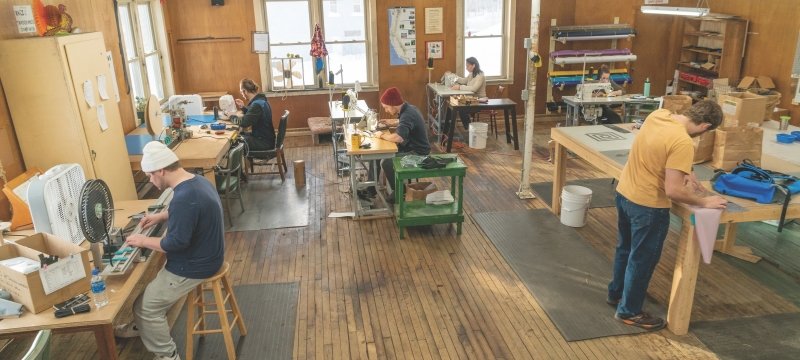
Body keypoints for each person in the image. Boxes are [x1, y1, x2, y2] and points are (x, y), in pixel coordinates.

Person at [608, 100, 727, 331]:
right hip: (648, 206)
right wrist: (705, 200)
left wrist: (687, 170)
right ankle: (629, 311)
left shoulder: (658, 116)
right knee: (642, 259)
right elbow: (673, 191)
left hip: (624, 194)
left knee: (625, 249)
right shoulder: (683, 142)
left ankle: (617, 294)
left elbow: (659, 150)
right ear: (704, 126)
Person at [114, 141, 225, 360]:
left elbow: (174, 244)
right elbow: (191, 211)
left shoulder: (184, 198)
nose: (149, 179)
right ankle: (145, 329)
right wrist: (161, 216)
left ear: (161, 170)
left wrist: (142, 241)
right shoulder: (196, 181)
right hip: (209, 253)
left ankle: (168, 355)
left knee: (143, 307)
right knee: (149, 292)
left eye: (149, 175)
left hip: (196, 264)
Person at [371, 87, 431, 198]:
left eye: (386, 107)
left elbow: (398, 138)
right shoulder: (409, 108)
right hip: (411, 147)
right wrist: (391, 122)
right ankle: (371, 188)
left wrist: (381, 135)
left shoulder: (407, 114)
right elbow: (404, 121)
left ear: (393, 105)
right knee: (376, 155)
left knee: (386, 162)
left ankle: (400, 191)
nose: (386, 111)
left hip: (418, 153)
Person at [235, 78, 275, 152]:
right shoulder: (261, 100)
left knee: (234, 141)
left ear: (244, 91)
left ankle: (244, 163)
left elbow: (245, 123)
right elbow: (254, 115)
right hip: (266, 138)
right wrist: (243, 108)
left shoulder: (256, 104)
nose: (242, 94)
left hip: (264, 142)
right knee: (239, 135)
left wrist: (230, 116)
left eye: (241, 92)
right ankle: (246, 163)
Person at [450, 57, 486, 128]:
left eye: (467, 66)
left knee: (461, 109)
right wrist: (453, 76)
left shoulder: (480, 76)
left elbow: (474, 89)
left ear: (474, 65)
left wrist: (459, 87)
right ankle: (468, 128)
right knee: (455, 106)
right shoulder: (471, 74)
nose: (466, 68)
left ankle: (469, 128)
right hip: (472, 99)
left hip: (479, 101)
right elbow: (464, 81)